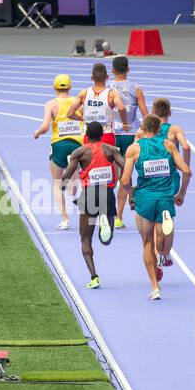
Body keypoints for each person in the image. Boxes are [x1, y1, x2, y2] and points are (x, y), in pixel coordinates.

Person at [119, 114, 191, 300]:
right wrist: (181, 193)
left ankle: (155, 287)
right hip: (166, 197)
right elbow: (187, 171)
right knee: (162, 239)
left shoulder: (134, 149)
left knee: (147, 243)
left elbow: (125, 180)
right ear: (159, 129)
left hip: (145, 199)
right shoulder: (169, 145)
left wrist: (132, 195)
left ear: (142, 128)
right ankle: (164, 251)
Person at [60, 120, 126, 289]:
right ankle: (104, 218)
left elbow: (68, 171)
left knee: (85, 238)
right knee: (106, 240)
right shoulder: (111, 150)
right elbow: (125, 167)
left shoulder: (80, 152)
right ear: (102, 135)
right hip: (107, 196)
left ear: (86, 136)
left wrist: (63, 183)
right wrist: (129, 187)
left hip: (90, 197)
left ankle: (94, 277)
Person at [32, 73, 84, 230]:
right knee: (83, 181)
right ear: (70, 87)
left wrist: (37, 133)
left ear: (55, 88)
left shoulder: (51, 104)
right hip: (78, 145)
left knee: (56, 183)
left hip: (59, 145)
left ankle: (65, 219)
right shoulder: (78, 102)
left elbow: (46, 126)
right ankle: (89, 212)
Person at [107, 55, 147, 230]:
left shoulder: (107, 90)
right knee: (127, 173)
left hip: (112, 136)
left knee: (114, 177)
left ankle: (112, 215)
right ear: (128, 70)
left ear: (112, 71)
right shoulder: (136, 89)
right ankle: (119, 216)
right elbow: (146, 116)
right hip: (132, 135)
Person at [150, 98, 190, 268]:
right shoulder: (174, 130)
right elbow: (186, 147)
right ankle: (164, 254)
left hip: (151, 176)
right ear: (170, 113)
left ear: (153, 112)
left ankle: (156, 253)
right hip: (170, 177)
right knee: (167, 216)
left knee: (152, 219)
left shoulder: (146, 129)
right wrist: (184, 165)